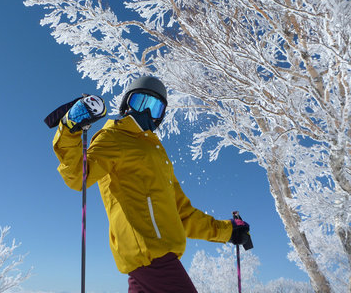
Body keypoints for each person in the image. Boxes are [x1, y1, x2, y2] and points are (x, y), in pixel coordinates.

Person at [52, 76, 251, 293]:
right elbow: (77, 175)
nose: (146, 113)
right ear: (126, 104)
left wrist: (228, 231)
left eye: (154, 108)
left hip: (152, 262)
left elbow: (183, 215)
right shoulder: (113, 137)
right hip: (150, 254)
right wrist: (69, 127)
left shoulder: (159, 155)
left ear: (161, 116)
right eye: (140, 102)